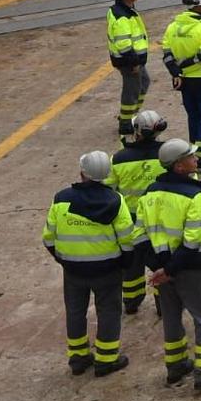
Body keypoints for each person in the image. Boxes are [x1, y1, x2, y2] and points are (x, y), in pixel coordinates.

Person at [137, 138, 201, 393]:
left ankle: (175, 366)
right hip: (190, 269)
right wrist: (171, 269)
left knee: (171, 318)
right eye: (191, 157)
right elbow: (193, 239)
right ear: (178, 166)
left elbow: (139, 235)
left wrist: (159, 268)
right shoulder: (194, 195)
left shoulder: (149, 193)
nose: (196, 159)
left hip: (162, 269)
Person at [42, 150, 142, 377]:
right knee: (108, 311)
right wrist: (125, 263)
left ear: (82, 172)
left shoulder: (62, 199)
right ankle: (106, 360)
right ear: (107, 174)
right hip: (108, 269)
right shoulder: (116, 201)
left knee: (75, 312)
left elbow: (48, 237)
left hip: (74, 270)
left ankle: (78, 358)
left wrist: (64, 259)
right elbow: (127, 238)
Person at [110, 111, 168, 313]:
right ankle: (163, 304)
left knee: (131, 266)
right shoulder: (167, 155)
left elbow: (108, 191)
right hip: (160, 221)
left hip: (130, 222)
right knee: (160, 262)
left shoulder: (119, 159)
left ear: (136, 131)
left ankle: (131, 302)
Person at [161, 0, 201, 170]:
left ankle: (193, 155)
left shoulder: (173, 27)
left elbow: (167, 54)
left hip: (185, 81)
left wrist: (177, 72)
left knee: (193, 116)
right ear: (200, 7)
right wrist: (184, 69)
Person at [106, 0, 152, 138]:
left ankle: (131, 114)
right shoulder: (122, 16)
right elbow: (124, 44)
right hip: (129, 61)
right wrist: (134, 63)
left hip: (134, 60)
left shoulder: (124, 10)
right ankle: (126, 123)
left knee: (143, 82)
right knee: (131, 90)